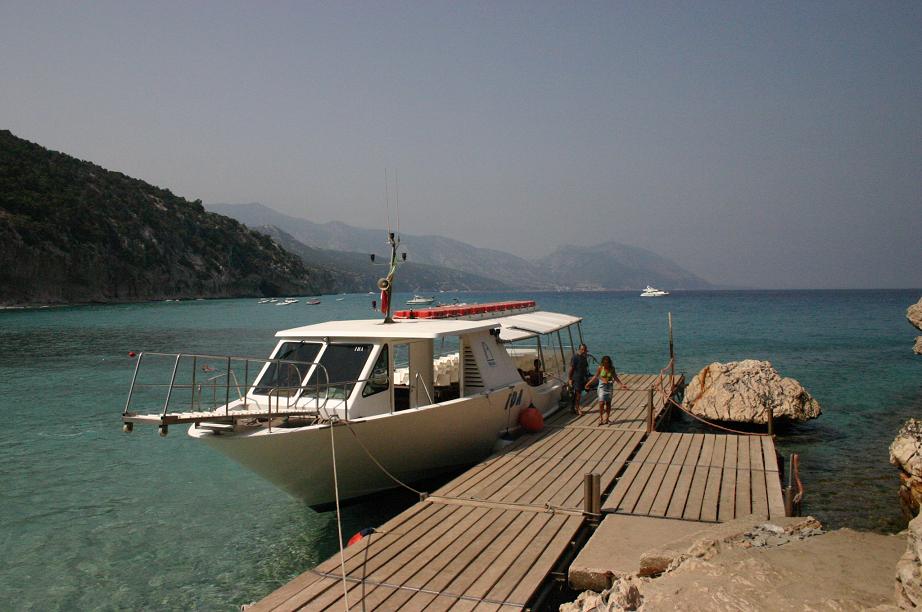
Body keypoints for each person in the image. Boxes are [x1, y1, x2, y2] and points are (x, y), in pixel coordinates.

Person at [585, 355, 628, 425]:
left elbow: (615, 377)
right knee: (601, 402)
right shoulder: (600, 367)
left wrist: (621, 385)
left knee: (608, 403)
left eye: (607, 363)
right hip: (602, 386)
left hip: (609, 386)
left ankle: (607, 419)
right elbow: (596, 376)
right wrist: (588, 384)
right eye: (604, 363)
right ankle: (601, 418)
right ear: (603, 363)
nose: (606, 365)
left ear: (609, 363)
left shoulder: (612, 368)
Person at [568, 344, 590, 415]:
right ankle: (577, 409)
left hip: (582, 377)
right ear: (579, 349)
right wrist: (570, 379)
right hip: (576, 378)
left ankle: (572, 408)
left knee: (577, 393)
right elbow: (571, 369)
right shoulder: (575, 357)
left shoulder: (584, 357)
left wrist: (587, 378)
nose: (584, 351)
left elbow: (585, 368)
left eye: (585, 350)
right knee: (578, 394)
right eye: (582, 349)